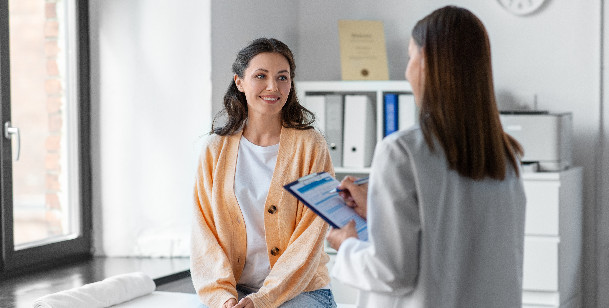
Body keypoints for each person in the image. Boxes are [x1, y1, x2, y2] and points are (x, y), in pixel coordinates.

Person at [326, 6, 526, 307]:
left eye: (410, 57)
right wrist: (379, 213)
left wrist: (346, 246)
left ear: (428, 63)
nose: (407, 71)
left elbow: (392, 272)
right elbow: (459, 235)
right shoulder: (504, 154)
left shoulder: (401, 151)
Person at [191, 38, 337, 308]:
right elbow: (204, 235)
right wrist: (222, 298)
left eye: (283, 77)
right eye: (261, 76)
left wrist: (263, 300)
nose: (273, 87)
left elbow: (311, 234)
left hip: (301, 291)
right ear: (239, 82)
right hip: (233, 291)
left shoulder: (311, 145)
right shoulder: (214, 149)